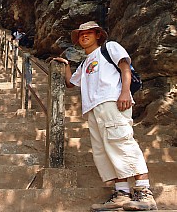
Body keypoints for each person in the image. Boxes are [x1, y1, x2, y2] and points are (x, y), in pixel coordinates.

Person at [54, 21, 157, 211]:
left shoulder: (109, 48)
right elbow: (71, 83)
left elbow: (125, 67)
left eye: (89, 33)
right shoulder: (85, 62)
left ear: (98, 35)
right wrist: (66, 65)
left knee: (121, 141)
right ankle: (122, 193)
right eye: (81, 34)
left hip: (112, 101)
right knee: (105, 149)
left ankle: (144, 192)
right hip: (93, 108)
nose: (84, 36)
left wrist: (125, 92)